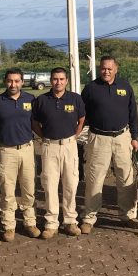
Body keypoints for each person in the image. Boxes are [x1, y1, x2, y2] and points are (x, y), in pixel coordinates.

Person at [80, 56, 138, 234]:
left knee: (125, 178)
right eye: (103, 68)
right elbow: (82, 114)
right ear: (100, 69)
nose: (106, 71)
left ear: (116, 68)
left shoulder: (125, 86)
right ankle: (89, 218)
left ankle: (127, 215)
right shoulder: (91, 88)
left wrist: (135, 136)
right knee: (94, 179)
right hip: (99, 139)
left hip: (122, 138)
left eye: (109, 68)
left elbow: (133, 114)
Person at [32, 67, 86, 239]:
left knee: (71, 183)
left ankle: (70, 221)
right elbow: (34, 122)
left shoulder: (75, 99)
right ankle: (51, 223)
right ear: (50, 80)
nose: (58, 82)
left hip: (70, 146)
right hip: (49, 146)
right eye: (55, 79)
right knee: (50, 185)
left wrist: (73, 136)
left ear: (66, 81)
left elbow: (82, 119)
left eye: (62, 79)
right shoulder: (41, 100)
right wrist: (45, 138)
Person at [0, 68, 39, 242]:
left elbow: (36, 122)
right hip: (6, 151)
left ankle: (30, 222)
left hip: (27, 149)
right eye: (10, 81)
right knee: (7, 190)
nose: (13, 84)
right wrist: (3, 133)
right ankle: (9, 226)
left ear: (22, 82)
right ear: (5, 81)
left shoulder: (30, 99)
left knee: (28, 189)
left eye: (17, 81)